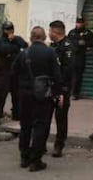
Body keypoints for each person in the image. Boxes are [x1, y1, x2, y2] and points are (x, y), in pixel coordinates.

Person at [16, 26, 63, 172]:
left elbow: (14, 72)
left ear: (31, 38)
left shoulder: (23, 54)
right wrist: (58, 93)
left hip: (25, 95)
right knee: (40, 126)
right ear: (44, 38)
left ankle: (24, 157)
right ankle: (36, 161)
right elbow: (57, 75)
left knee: (25, 126)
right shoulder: (50, 52)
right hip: (43, 95)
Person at [0, 21, 28, 127]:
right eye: (7, 30)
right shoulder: (0, 40)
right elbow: (4, 49)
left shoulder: (17, 39)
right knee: (1, 95)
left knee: (17, 94)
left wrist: (15, 41)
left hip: (15, 71)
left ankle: (16, 114)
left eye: (11, 29)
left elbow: (25, 45)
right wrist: (15, 47)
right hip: (3, 71)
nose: (9, 32)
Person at [48, 20, 73, 158]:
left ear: (55, 31)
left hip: (62, 89)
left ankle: (59, 145)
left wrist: (62, 91)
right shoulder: (53, 46)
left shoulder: (67, 47)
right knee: (46, 115)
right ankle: (42, 143)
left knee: (61, 117)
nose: (49, 33)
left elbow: (67, 71)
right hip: (50, 87)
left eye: (50, 31)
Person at [66, 17, 93, 100]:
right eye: (77, 22)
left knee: (78, 76)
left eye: (80, 23)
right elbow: (68, 42)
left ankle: (75, 93)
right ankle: (69, 92)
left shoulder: (87, 32)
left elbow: (92, 43)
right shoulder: (72, 32)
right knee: (69, 75)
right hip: (71, 56)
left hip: (80, 56)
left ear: (83, 23)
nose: (79, 24)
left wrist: (85, 43)